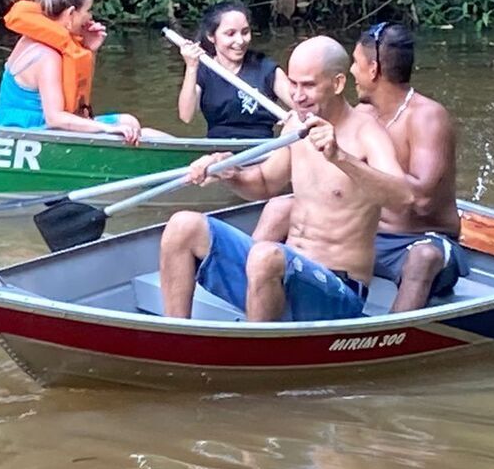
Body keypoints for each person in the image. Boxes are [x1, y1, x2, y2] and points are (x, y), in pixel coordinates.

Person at [158, 36, 414, 322]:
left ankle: (258, 354)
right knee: (182, 226)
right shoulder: (295, 124)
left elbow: (403, 198)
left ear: (338, 83)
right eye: (293, 84)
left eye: (308, 85)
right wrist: (231, 173)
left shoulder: (367, 132)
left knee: (266, 256)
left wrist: (339, 156)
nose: (298, 95)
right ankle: (177, 334)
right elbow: (265, 183)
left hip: (337, 290)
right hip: (280, 273)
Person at [253, 23, 468, 312]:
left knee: (423, 258)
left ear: (373, 69)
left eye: (355, 62)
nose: (352, 70)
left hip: (419, 240)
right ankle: (255, 294)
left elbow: (419, 201)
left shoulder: (427, 117)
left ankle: (390, 337)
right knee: (280, 207)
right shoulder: (362, 114)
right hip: (369, 237)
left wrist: (354, 170)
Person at [0, 0, 168, 144]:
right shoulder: (48, 57)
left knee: (129, 123)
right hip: (26, 133)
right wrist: (108, 129)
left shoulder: (34, 39)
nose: (90, 17)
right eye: (87, 10)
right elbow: (55, 118)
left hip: (38, 127)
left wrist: (90, 50)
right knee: (127, 128)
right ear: (70, 14)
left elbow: (77, 95)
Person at [175, 0, 292, 138]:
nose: (240, 41)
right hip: (216, 149)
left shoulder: (266, 69)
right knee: (146, 134)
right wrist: (191, 67)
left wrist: (295, 118)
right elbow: (186, 116)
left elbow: (303, 105)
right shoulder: (202, 71)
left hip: (261, 149)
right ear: (211, 36)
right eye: (230, 34)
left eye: (245, 32)